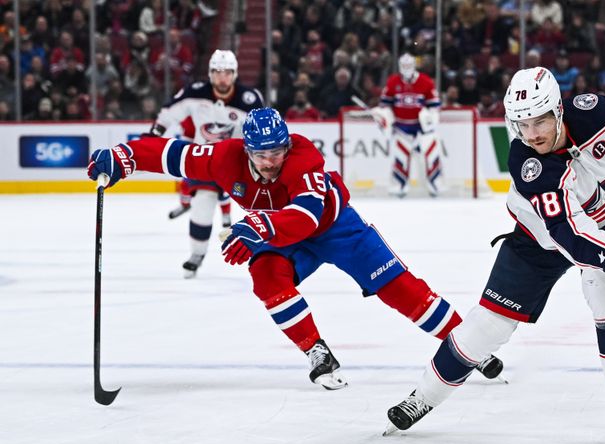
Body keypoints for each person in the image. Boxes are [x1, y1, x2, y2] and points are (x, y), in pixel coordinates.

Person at [87, 108, 504, 390]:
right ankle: (317, 353)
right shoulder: (223, 158)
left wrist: (258, 225)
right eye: (262, 154)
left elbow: (305, 217)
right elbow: (168, 153)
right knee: (265, 277)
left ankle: (466, 345)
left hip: (337, 228)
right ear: (247, 149)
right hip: (276, 234)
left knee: (399, 289)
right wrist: (122, 157)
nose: (271, 161)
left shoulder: (303, 157)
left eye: (277, 151)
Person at [384, 67, 605, 434]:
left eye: (540, 121)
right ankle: (423, 396)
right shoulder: (529, 164)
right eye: (522, 125)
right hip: (541, 237)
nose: (532, 134)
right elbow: (569, 233)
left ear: (559, 111)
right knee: (488, 325)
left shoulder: (593, 111)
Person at [148, 49, 264, 278]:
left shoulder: (249, 99)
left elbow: (262, 128)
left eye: (227, 72)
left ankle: (273, 254)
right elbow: (170, 112)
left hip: (239, 164)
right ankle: (197, 254)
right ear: (210, 74)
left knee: (261, 205)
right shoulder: (196, 92)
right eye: (218, 72)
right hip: (206, 161)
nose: (222, 77)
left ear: (235, 74)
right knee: (201, 206)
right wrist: (153, 135)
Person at [372, 53, 442, 198]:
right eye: (404, 66)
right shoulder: (393, 82)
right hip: (401, 128)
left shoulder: (426, 81)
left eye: (409, 66)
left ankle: (435, 182)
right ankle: (400, 185)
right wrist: (383, 116)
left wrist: (430, 119)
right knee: (400, 157)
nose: (406, 69)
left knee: (431, 154)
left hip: (421, 129)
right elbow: (385, 104)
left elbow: (434, 105)